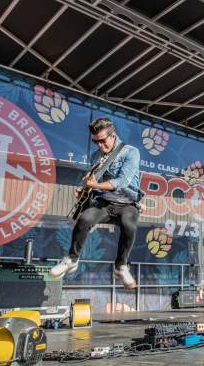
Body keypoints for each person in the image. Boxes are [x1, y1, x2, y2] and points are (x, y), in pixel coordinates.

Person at [49, 118, 143, 289]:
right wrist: (83, 189)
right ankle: (71, 259)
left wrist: (96, 185)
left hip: (126, 202)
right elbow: (92, 179)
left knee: (129, 225)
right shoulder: (96, 156)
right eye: (95, 141)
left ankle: (121, 266)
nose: (99, 145)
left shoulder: (131, 152)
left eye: (102, 140)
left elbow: (122, 181)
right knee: (84, 219)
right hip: (104, 202)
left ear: (113, 136)